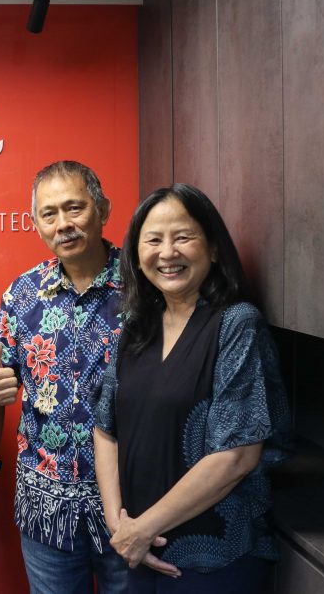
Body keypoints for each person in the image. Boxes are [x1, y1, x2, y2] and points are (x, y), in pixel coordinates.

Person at [94, 183, 292, 593]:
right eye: (153, 240)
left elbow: (237, 455)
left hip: (213, 560)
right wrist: (120, 527)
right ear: (137, 255)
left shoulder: (237, 324)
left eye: (183, 237)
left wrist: (143, 529)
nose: (167, 253)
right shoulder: (137, 327)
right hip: (137, 551)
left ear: (213, 248)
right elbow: (105, 427)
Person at [0, 160, 129, 594]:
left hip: (132, 504)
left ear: (103, 209)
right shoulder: (22, 293)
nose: (63, 224)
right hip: (47, 508)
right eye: (49, 214)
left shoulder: (145, 287)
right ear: (36, 225)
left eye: (74, 208)